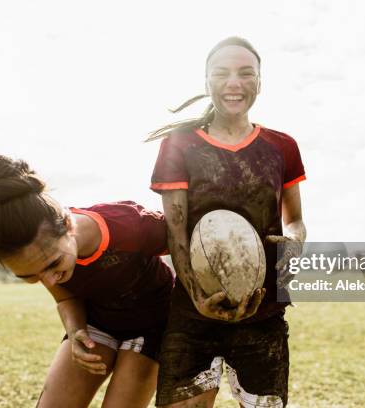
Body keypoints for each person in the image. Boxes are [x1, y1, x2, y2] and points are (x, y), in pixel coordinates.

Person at [148, 37, 306, 407]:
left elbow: (295, 220)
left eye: (245, 73)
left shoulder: (282, 146)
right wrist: (199, 298)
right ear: (207, 83)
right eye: (221, 73)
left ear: (259, 83)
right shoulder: (180, 144)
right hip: (193, 317)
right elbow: (176, 231)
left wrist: (296, 243)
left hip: (263, 313)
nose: (233, 82)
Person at [0, 155, 174, 408]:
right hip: (97, 323)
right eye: (31, 277)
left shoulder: (130, 225)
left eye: (52, 264)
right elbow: (66, 297)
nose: (49, 280)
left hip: (153, 326)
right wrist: (75, 331)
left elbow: (190, 242)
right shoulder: (43, 261)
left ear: (69, 225)